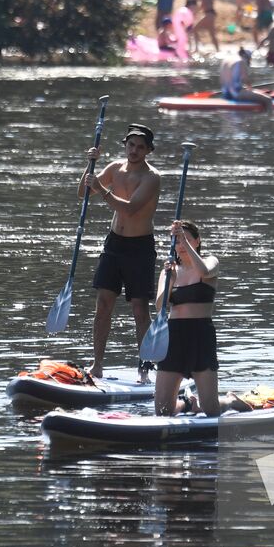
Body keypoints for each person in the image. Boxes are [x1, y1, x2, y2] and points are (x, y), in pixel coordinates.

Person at [82, 125, 162, 380]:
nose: (135, 151)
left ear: (148, 150)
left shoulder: (152, 177)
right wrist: (90, 165)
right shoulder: (115, 168)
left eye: (140, 147)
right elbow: (82, 193)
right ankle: (97, 365)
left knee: (140, 309)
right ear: (125, 145)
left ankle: (145, 368)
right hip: (114, 244)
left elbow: (130, 209)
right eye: (131, 145)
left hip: (140, 247)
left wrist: (102, 189)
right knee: (103, 305)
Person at [154, 220, 223, 417]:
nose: (180, 245)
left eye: (185, 240)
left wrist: (184, 241)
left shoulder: (210, 262)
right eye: (176, 241)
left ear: (197, 241)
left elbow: (204, 272)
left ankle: (229, 401)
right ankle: (187, 404)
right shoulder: (168, 271)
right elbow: (160, 306)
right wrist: (170, 281)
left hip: (201, 334)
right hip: (174, 336)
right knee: (162, 411)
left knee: (211, 408)